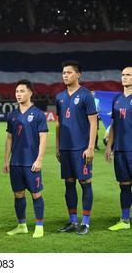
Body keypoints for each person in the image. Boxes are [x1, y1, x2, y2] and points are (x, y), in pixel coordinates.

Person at [55, 60, 98, 235]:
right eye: (64, 72)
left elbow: (93, 123)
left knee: (85, 183)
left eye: (69, 72)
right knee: (69, 184)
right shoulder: (59, 97)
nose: (65, 75)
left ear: (78, 74)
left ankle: (85, 222)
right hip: (65, 149)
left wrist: (90, 148)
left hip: (81, 148)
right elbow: (58, 123)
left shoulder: (86, 95)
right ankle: (73, 221)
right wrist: (58, 146)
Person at [3, 79, 48, 238]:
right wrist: (6, 159)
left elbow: (43, 137)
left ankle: (39, 226)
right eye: (16, 92)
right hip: (16, 163)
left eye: (22, 91)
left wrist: (39, 159)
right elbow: (9, 138)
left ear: (30, 93)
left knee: (36, 194)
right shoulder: (12, 115)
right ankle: (22, 225)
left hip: (32, 162)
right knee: (18, 194)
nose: (18, 94)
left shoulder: (38, 114)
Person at [105, 66, 132, 231]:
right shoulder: (116, 99)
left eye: (128, 75)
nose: (125, 77)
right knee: (124, 184)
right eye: (123, 75)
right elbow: (113, 125)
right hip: (120, 150)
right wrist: (109, 147)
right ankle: (125, 220)